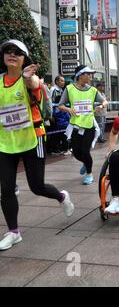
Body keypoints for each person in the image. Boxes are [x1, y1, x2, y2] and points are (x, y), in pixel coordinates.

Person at [0, 39, 74, 251]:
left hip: (33, 139)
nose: (11, 55)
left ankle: (61, 196)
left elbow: (32, 83)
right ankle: (13, 232)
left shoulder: (31, 81)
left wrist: (26, 76)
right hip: (5, 143)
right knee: (6, 189)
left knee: (37, 187)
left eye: (17, 53)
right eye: (7, 52)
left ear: (25, 59)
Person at [58, 65, 108, 185]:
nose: (90, 76)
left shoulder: (93, 90)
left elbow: (105, 101)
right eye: (88, 74)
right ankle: (86, 163)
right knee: (76, 152)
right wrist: (69, 110)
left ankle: (89, 174)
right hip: (75, 126)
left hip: (89, 125)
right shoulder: (69, 89)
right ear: (80, 75)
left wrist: (101, 106)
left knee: (85, 151)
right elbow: (60, 105)